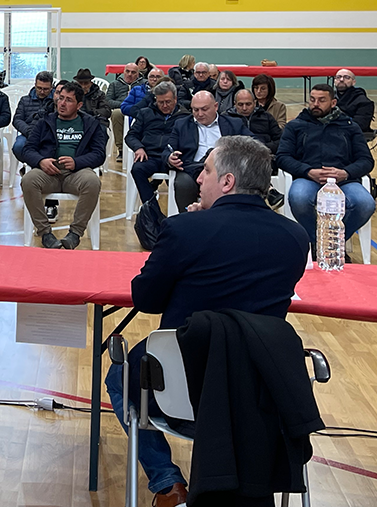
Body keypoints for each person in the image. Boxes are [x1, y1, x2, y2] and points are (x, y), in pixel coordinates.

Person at [107, 135, 310, 507]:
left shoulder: (185, 229)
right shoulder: (296, 237)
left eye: (208, 171)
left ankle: (167, 482)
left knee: (119, 375)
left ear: (227, 182)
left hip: (181, 390)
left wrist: (189, 230)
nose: (199, 178)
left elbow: (146, 299)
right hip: (258, 391)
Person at [276, 83, 376, 250]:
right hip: (308, 178)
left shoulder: (350, 126)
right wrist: (308, 171)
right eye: (312, 100)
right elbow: (282, 157)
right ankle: (319, 243)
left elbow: (366, 160)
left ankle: (332, 243)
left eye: (322, 100)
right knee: (299, 199)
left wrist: (345, 173)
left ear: (333, 103)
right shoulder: (296, 126)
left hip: (344, 180)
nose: (316, 104)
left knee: (365, 204)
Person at [20, 82, 107, 249]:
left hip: (76, 173)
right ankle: (45, 233)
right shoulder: (44, 122)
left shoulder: (90, 123)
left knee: (92, 182)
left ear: (79, 105)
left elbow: (99, 154)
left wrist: (77, 162)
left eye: (68, 100)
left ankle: (75, 234)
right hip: (48, 173)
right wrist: (41, 161)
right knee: (28, 180)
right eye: (60, 98)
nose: (62, 103)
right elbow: (28, 149)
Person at [163, 91, 252, 211]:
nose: (199, 114)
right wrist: (170, 158)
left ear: (215, 106)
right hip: (191, 169)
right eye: (195, 110)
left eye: (204, 109)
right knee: (183, 183)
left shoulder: (234, 124)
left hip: (225, 169)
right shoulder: (182, 125)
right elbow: (167, 150)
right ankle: (187, 218)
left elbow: (254, 144)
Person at [125, 81, 186, 211]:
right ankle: (153, 212)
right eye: (160, 102)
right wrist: (138, 147)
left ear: (175, 99)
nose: (164, 105)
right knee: (137, 169)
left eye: (168, 102)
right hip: (149, 156)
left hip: (171, 158)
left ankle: (179, 212)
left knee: (182, 178)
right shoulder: (145, 113)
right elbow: (131, 136)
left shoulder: (185, 117)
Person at [11, 71, 55, 163]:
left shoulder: (56, 101)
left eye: (46, 89)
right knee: (18, 147)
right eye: (39, 88)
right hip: (28, 133)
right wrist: (29, 131)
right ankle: (32, 164)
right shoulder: (25, 100)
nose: (42, 91)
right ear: (35, 85)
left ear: (51, 87)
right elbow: (17, 120)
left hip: (49, 134)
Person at [106, 63, 140, 159]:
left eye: (133, 72)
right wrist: (124, 105)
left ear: (138, 74)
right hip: (121, 109)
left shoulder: (143, 84)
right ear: (123, 72)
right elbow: (107, 101)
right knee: (116, 114)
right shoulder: (114, 84)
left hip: (138, 109)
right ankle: (121, 149)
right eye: (127, 71)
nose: (129, 74)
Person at [333, 69, 375, 134]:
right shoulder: (329, 98)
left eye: (346, 77)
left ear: (353, 82)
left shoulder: (364, 102)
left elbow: (360, 126)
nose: (341, 79)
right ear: (334, 81)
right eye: (338, 77)